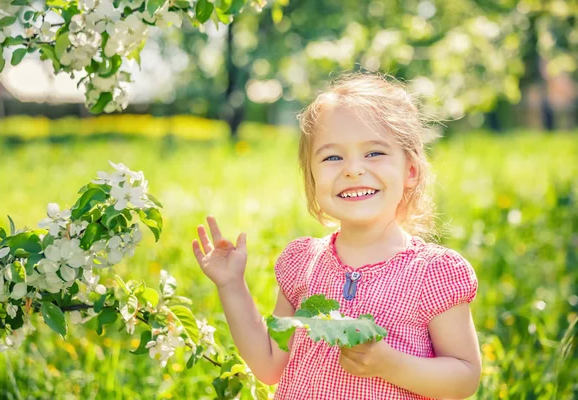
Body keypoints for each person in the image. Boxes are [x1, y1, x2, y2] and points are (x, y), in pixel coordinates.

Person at [192, 72, 481, 399]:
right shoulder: (302, 263)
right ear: (313, 179)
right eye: (332, 157)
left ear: (410, 171)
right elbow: (269, 366)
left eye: (374, 153)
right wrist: (231, 285)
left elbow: (465, 377)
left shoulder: (433, 273)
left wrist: (390, 364)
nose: (353, 169)